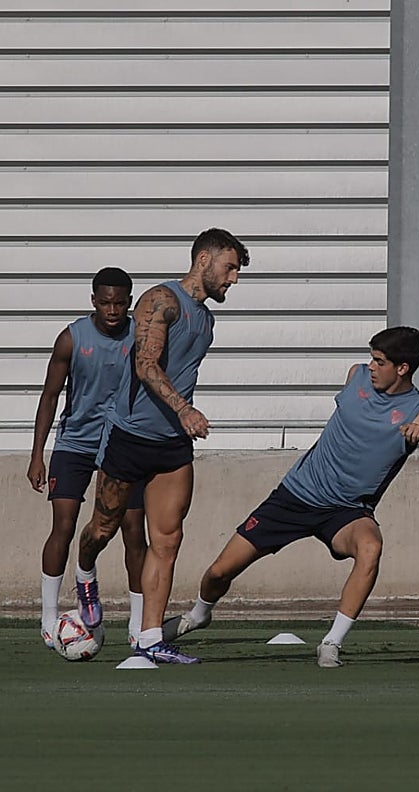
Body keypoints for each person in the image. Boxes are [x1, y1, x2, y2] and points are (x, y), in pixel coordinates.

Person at [161, 327, 419, 668]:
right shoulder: (357, 376)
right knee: (219, 572)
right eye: (371, 358)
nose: (371, 366)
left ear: (403, 368)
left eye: (380, 362)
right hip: (296, 495)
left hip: (347, 511)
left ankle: (331, 642)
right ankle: (199, 615)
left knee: (371, 548)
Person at [73, 227, 249, 665]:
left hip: (173, 447)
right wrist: (185, 410)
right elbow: (146, 363)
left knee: (167, 539)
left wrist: (181, 422)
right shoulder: (160, 301)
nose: (233, 280)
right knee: (103, 529)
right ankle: (85, 575)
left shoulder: (207, 320)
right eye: (229, 268)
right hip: (130, 438)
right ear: (204, 260)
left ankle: (150, 637)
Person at [27, 268, 148, 649]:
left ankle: (139, 623)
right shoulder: (71, 338)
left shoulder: (142, 337)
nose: (112, 309)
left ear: (129, 302)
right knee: (63, 524)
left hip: (124, 444)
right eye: (105, 302)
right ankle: (49, 618)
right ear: (93, 300)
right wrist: (37, 455)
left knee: (132, 529)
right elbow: (49, 397)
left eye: (120, 302)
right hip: (76, 442)